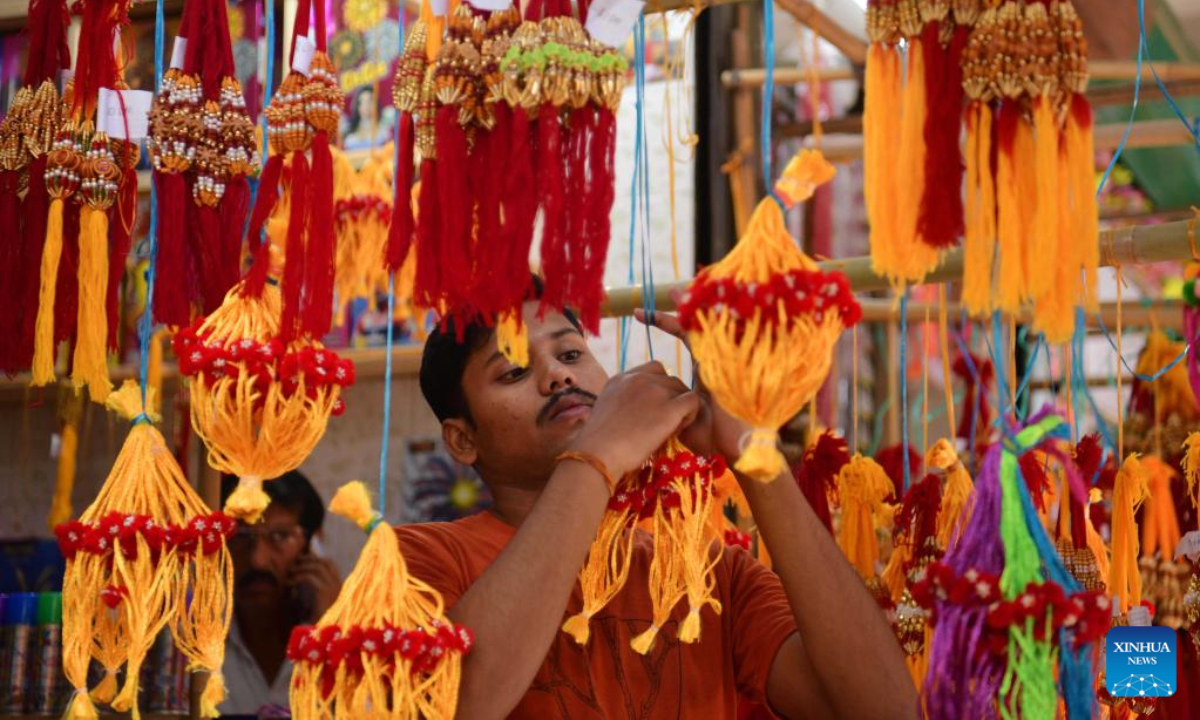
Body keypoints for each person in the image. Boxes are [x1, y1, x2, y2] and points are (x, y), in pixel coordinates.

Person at [401, 283, 918, 719]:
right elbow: (457, 702)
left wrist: (753, 454)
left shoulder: (710, 574)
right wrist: (597, 457)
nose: (559, 376)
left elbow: (884, 710)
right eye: (514, 371)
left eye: (571, 354)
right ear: (462, 440)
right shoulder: (417, 560)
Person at [219, 471, 343, 717]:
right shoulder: (193, 642)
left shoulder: (353, 639)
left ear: (313, 547)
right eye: (241, 537)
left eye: (280, 536)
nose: (257, 561)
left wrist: (331, 630)